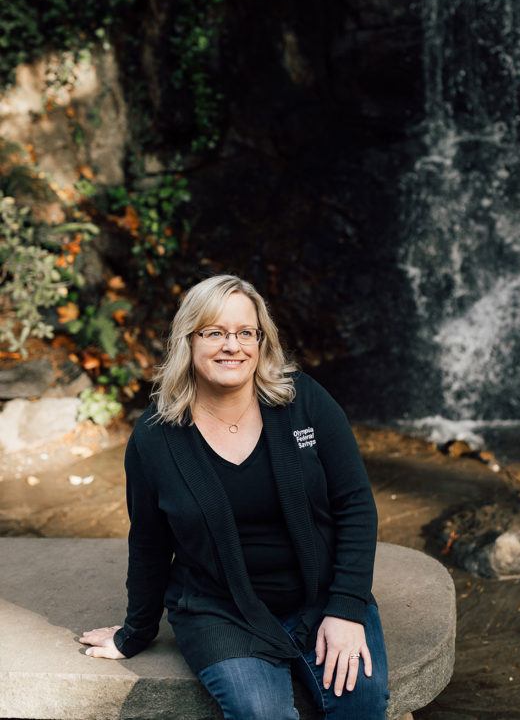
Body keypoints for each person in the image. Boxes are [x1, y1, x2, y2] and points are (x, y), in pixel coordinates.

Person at [80, 274, 389, 720]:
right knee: (261, 713)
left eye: (246, 332)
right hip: (221, 611)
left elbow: (356, 504)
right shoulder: (154, 438)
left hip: (321, 597)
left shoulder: (304, 401)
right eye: (214, 332)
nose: (233, 345)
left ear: (262, 340)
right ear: (188, 340)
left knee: (361, 702)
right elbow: (148, 543)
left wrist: (345, 609)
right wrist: (135, 632)